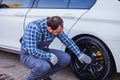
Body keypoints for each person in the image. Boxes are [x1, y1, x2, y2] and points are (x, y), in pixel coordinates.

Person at [20, 16, 92, 80]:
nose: (60, 33)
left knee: (65, 58)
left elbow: (67, 41)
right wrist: (49, 56)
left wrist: (79, 54)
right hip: (28, 55)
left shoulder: (56, 27)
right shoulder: (34, 27)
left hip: (44, 50)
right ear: (50, 29)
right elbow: (32, 50)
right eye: (58, 32)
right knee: (44, 66)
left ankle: (43, 76)